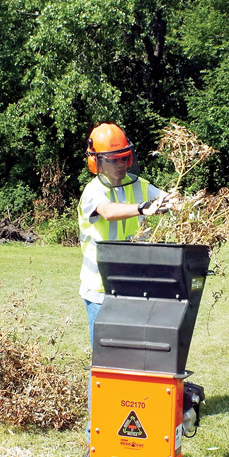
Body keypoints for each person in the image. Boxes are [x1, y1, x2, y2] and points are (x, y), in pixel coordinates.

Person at [78, 122, 171, 345]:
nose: (120, 164)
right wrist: (141, 208)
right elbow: (108, 212)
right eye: (113, 159)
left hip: (134, 286)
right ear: (97, 161)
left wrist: (183, 202)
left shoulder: (139, 185)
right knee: (104, 360)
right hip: (101, 290)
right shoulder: (93, 191)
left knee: (132, 355)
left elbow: (166, 198)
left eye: (124, 157)